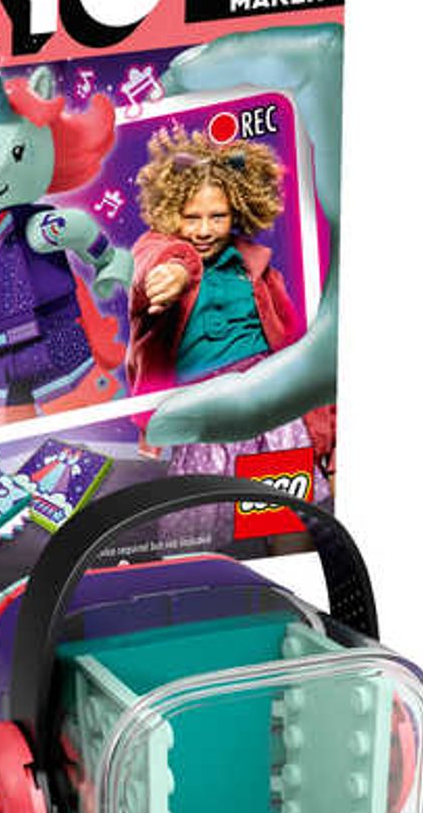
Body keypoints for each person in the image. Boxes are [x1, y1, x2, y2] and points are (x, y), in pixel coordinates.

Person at [127, 125, 333, 543]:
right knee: (192, 532)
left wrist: (325, 434)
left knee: (285, 522)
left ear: (236, 213)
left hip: (268, 405)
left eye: (217, 217)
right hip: (205, 412)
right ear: (171, 213)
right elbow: (155, 259)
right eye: (192, 217)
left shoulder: (257, 270)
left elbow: (297, 350)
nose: (204, 229)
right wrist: (173, 272)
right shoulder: (161, 252)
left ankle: (293, 571)